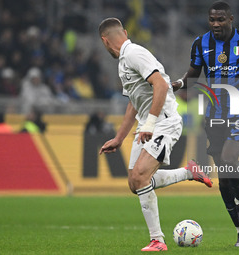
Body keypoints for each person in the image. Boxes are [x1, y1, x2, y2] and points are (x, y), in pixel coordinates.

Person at [172, 1, 239, 247]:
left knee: (230, 157)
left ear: (230, 19)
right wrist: (178, 85)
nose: (215, 24)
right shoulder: (201, 44)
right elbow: (193, 74)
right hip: (214, 116)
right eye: (212, 20)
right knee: (223, 181)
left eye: (220, 20)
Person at [98, 18, 212, 252]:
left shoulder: (133, 53)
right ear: (125, 32)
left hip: (164, 122)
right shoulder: (124, 62)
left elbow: (159, 84)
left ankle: (158, 240)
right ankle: (189, 172)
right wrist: (119, 138)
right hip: (148, 124)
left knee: (141, 177)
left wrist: (150, 123)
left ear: (104, 41)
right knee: (135, 183)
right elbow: (134, 101)